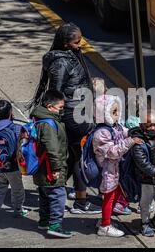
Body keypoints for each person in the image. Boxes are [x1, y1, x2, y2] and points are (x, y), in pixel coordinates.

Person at [28, 22, 101, 215]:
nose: (81, 44)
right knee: (80, 156)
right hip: (73, 116)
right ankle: (80, 200)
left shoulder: (72, 56)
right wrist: (58, 116)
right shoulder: (61, 62)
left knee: (72, 155)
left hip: (79, 112)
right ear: (66, 44)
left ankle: (53, 188)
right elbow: (55, 91)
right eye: (77, 42)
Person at [92, 94, 143, 237]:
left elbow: (124, 132)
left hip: (116, 170)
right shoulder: (101, 133)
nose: (118, 114)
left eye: (118, 110)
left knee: (117, 195)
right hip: (107, 171)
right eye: (114, 112)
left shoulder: (115, 126)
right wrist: (130, 141)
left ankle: (104, 219)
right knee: (109, 197)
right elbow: (113, 152)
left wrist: (136, 132)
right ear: (104, 114)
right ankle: (105, 226)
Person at [30, 90, 73, 238]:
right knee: (58, 195)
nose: (62, 111)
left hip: (41, 167)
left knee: (44, 194)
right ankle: (55, 225)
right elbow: (52, 148)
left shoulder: (39, 119)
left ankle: (44, 221)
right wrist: (56, 168)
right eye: (60, 108)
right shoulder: (48, 124)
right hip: (50, 167)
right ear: (49, 106)